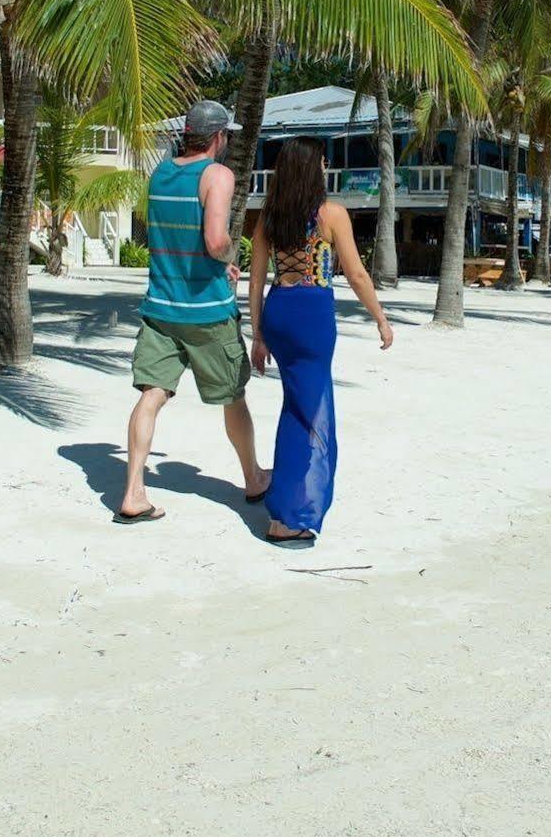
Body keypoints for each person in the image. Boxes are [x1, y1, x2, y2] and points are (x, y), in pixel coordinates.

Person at [118, 100, 267, 523]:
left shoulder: (160, 173)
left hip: (161, 307)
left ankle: (133, 492)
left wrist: (216, 258)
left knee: (151, 396)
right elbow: (216, 240)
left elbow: (176, 236)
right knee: (232, 397)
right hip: (207, 312)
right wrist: (228, 257)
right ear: (218, 137)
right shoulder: (217, 175)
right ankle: (254, 478)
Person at [247, 138, 394, 548]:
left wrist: (258, 335)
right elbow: (358, 275)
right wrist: (380, 319)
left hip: (278, 311)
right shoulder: (331, 214)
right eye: (324, 162)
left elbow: (256, 281)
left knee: (296, 406)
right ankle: (287, 517)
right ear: (315, 169)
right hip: (312, 317)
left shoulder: (269, 218)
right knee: (309, 413)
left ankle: (288, 501)